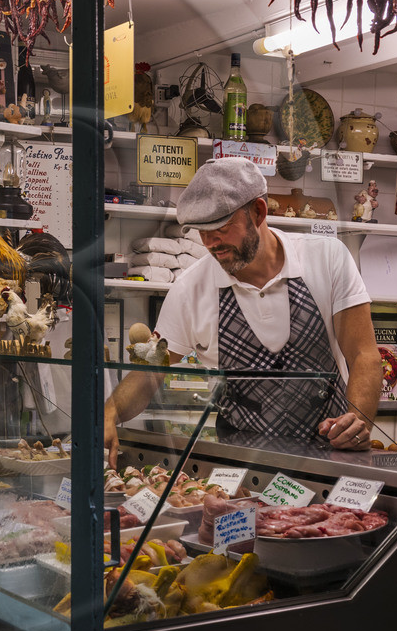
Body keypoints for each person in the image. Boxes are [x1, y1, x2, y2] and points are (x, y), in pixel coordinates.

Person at [104, 159, 382, 464]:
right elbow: (150, 373)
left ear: (259, 212)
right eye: (202, 232)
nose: (211, 244)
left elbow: (363, 355)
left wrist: (357, 422)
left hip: (329, 459)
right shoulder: (189, 288)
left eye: (222, 229)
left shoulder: (327, 258)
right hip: (241, 471)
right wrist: (110, 412)